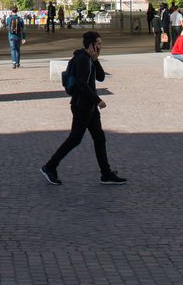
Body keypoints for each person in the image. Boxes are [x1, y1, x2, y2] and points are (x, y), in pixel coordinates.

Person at [41, 32, 125, 186]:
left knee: (99, 138)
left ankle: (106, 173)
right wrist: (98, 100)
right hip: (82, 106)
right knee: (75, 139)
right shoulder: (82, 59)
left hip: (89, 107)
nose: (100, 46)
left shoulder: (89, 59)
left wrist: (96, 60)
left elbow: (100, 77)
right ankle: (50, 166)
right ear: (90, 44)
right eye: (98, 43)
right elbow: (81, 84)